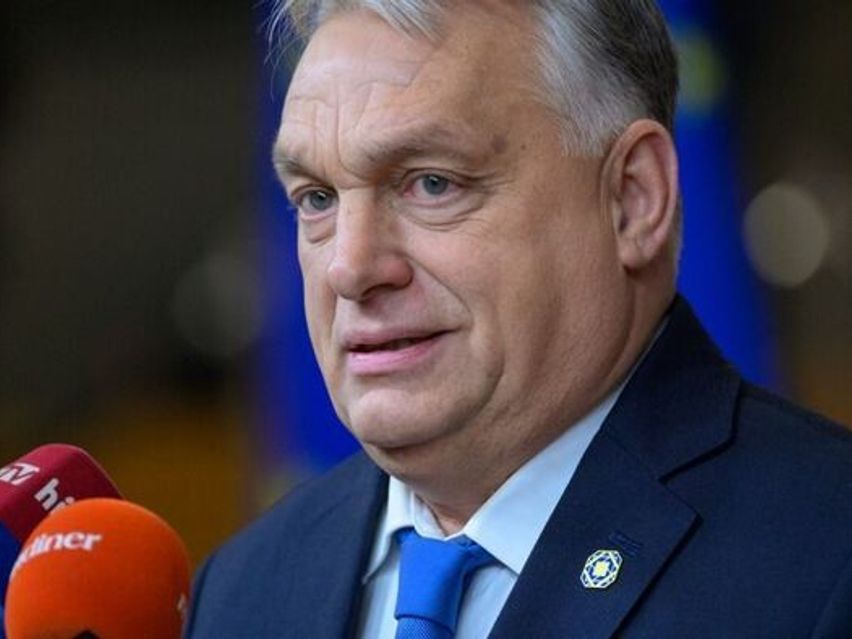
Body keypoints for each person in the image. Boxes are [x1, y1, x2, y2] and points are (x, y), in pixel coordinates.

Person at [186, 1, 852, 637]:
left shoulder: (827, 557)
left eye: (432, 183)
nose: (349, 267)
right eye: (316, 198)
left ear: (632, 198)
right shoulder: (241, 589)